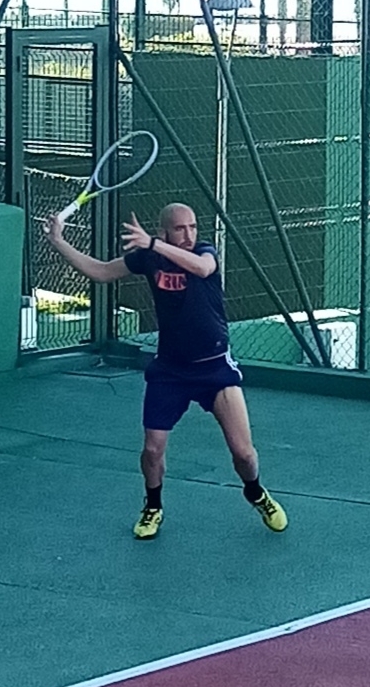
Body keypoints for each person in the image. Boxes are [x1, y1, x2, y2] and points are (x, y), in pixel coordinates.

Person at [43, 202, 288, 540]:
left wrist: (153, 244)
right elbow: (101, 272)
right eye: (179, 229)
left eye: (192, 227)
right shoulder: (149, 258)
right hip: (170, 371)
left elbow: (203, 268)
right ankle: (153, 506)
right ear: (165, 231)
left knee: (244, 453)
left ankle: (256, 492)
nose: (188, 234)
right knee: (152, 450)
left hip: (214, 368)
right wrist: (59, 241)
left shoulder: (204, 252)